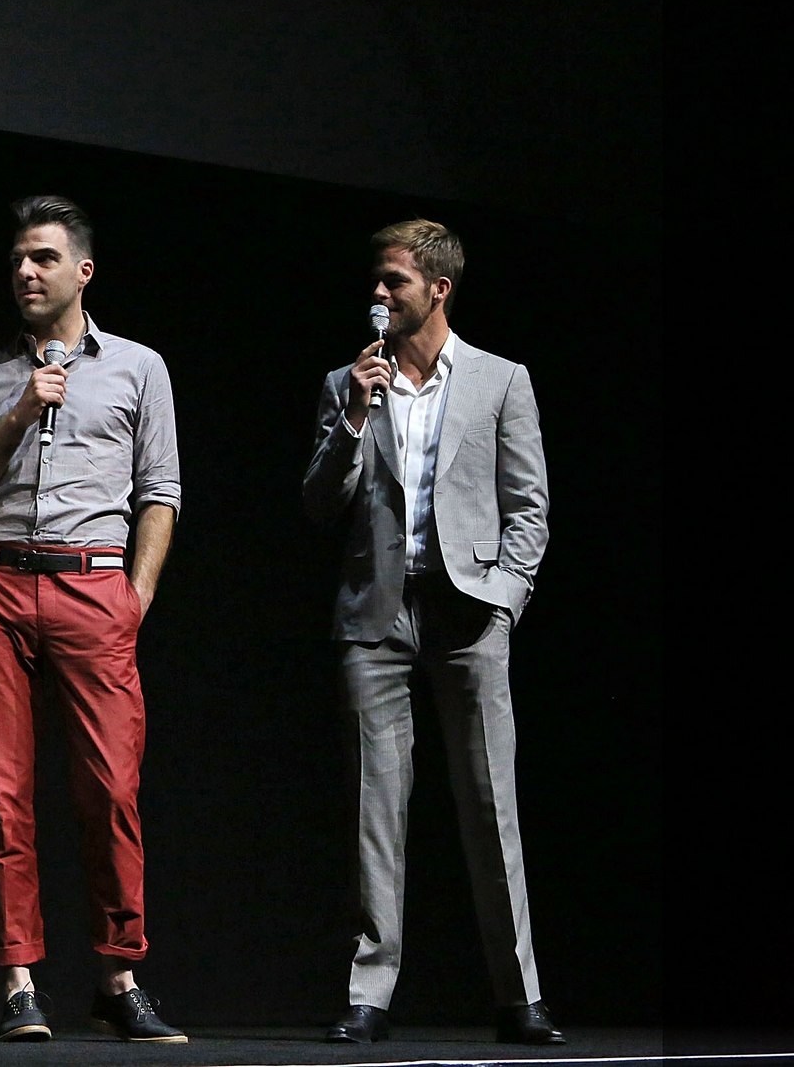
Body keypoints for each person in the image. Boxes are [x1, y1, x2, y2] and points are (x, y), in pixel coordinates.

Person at [0, 195, 187, 1045]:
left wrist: (135, 594)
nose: (25, 271)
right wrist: (19, 411)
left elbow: (161, 490)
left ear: (83, 270)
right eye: (17, 259)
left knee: (111, 787)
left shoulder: (139, 367)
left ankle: (119, 975)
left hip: (93, 586)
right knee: (2, 789)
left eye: (42, 257)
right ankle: (18, 980)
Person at [302, 218, 564, 1047]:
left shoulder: (500, 380)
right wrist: (353, 415)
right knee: (375, 807)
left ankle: (519, 993)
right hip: (376, 612)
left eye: (396, 281)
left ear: (438, 289)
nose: (379, 294)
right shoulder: (349, 380)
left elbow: (529, 507)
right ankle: (370, 993)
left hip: (467, 612)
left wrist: (505, 600)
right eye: (378, 281)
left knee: (490, 801)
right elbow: (319, 501)